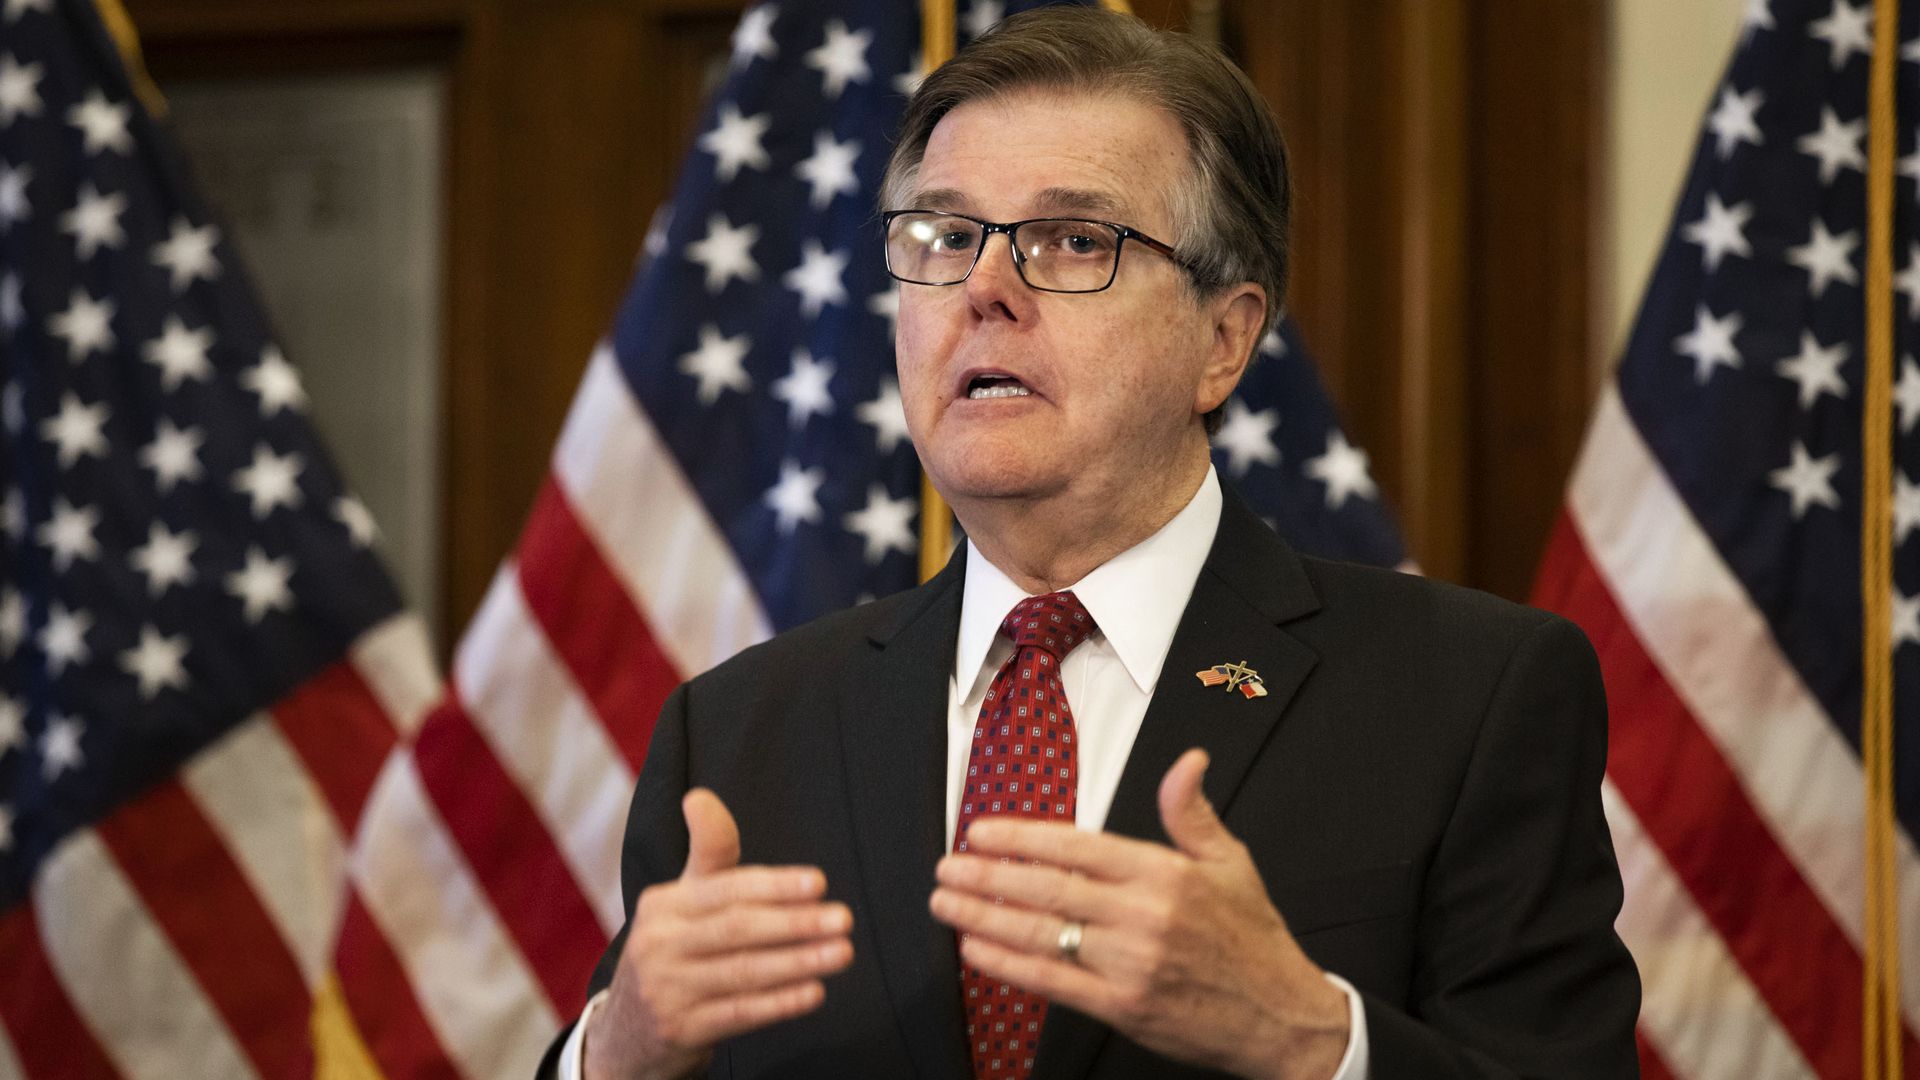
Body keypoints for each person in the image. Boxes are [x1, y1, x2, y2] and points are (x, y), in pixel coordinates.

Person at [545, 7, 1640, 1079]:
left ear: (1223, 338)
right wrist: (616, 1057)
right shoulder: (737, 732)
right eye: (943, 235)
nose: (983, 288)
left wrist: (1312, 1040)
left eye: (1074, 241)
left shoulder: (1469, 697)